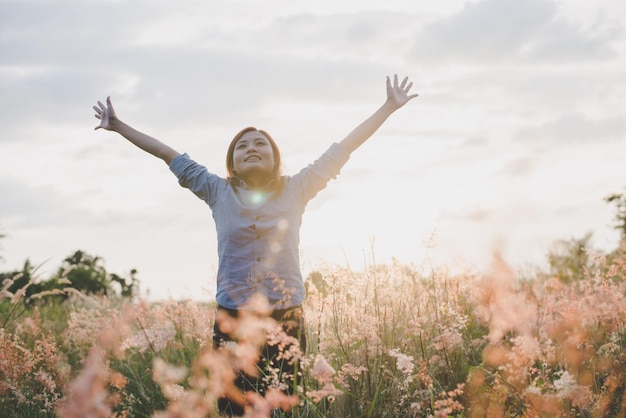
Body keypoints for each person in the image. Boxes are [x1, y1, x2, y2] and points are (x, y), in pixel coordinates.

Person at [93, 74, 418, 416]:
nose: (251, 148)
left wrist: (387, 108)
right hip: (232, 317)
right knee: (234, 408)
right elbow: (165, 153)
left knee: (280, 409)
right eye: (242, 146)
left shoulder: (298, 188)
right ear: (232, 163)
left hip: (286, 317)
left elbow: (343, 148)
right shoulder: (216, 190)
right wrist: (118, 125)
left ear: (275, 159)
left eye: (260, 144)